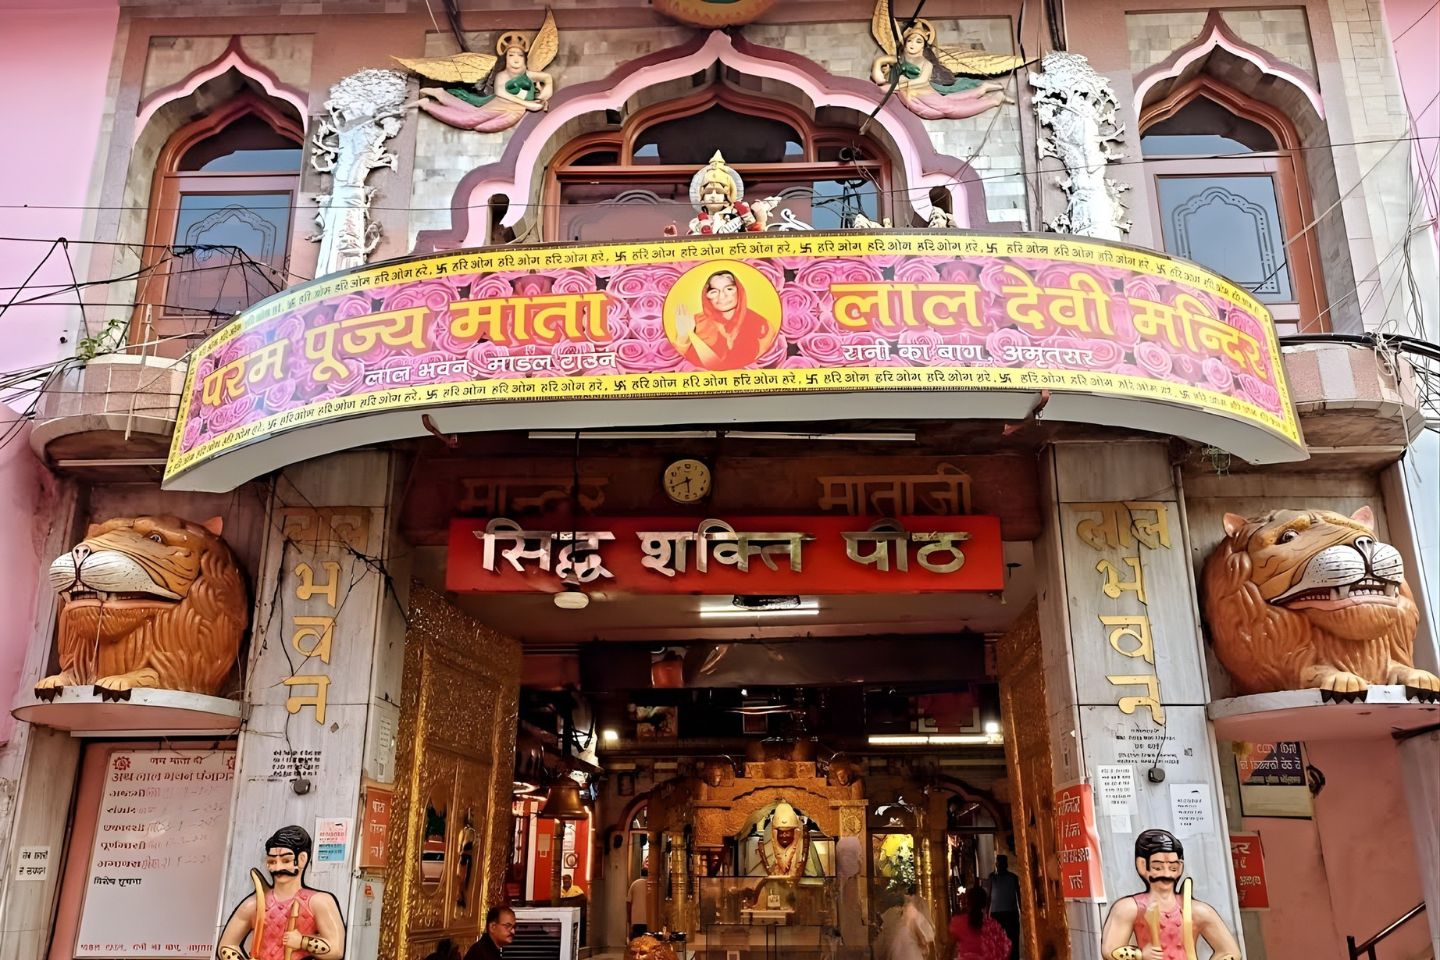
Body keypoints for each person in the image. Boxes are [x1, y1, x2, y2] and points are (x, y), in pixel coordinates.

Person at [1100, 829, 1242, 960]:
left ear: (1180, 867)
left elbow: (1231, 952)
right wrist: (1141, 955)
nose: (1166, 874)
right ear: (1142, 865)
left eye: (1172, 868)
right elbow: (1110, 950)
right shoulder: (1129, 908)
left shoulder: (1197, 910)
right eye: (1158, 868)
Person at [217, 826, 347, 960]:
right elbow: (227, 945)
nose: (278, 867)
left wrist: (302, 942)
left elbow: (336, 949)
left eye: (286, 861)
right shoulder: (254, 904)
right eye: (272, 861)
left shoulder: (318, 902)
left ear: (302, 859)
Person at [673, 270, 772, 370]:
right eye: (714, 292)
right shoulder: (696, 322)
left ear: (739, 291)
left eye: (729, 289)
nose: (722, 296)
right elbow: (682, 361)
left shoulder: (761, 324)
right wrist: (683, 336)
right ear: (706, 296)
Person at [949, 888, 1011, 960]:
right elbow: (1006, 948)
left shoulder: (958, 923)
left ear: (967, 902)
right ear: (984, 904)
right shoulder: (993, 925)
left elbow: (948, 949)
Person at [985, 855, 1021, 960]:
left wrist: (1022, 910)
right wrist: (986, 914)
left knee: (1013, 940)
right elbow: (988, 897)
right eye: (998, 863)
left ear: (1006, 865)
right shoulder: (992, 878)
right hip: (998, 913)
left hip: (1010, 913)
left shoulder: (1013, 878)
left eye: (1000, 863)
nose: (999, 865)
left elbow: (1019, 895)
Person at [627, 869, 649, 938]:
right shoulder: (650, 885)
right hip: (647, 919)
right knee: (646, 941)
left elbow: (628, 902)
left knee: (636, 941)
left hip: (636, 919)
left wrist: (629, 917)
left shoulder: (634, 884)